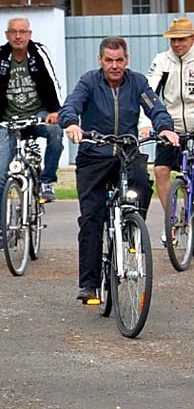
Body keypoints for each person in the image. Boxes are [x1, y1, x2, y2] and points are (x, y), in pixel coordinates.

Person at [59, 37, 178, 303]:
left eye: (119, 60)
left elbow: (156, 108)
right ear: (100, 61)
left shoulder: (137, 82)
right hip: (94, 156)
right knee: (91, 217)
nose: (114, 66)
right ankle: (89, 284)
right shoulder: (89, 82)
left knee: (142, 186)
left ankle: (132, 229)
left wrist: (164, 128)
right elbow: (72, 105)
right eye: (109, 60)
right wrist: (71, 123)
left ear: (127, 60)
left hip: (127, 153)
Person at [145, 17, 194, 215]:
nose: (176, 44)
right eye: (173, 40)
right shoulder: (162, 61)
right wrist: (146, 123)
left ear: (193, 38)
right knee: (160, 171)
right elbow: (148, 94)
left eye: (182, 39)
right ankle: (171, 219)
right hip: (171, 125)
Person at [0, 16, 65, 202]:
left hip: (38, 115)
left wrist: (56, 111)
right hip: (7, 119)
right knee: (1, 174)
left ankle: (47, 181)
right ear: (7, 35)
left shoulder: (39, 53)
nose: (18, 36)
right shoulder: (1, 57)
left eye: (22, 32)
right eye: (13, 32)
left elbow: (54, 81)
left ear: (29, 34)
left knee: (56, 132)